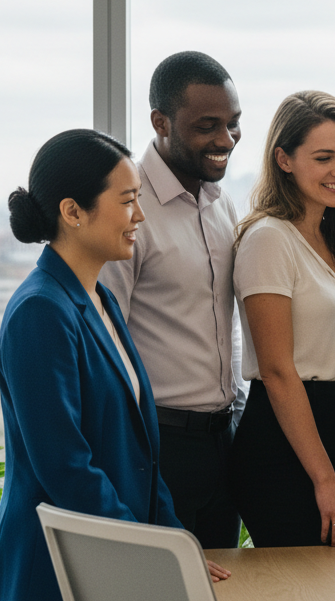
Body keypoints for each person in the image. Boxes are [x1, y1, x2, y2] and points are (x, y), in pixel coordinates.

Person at [0, 129, 229, 601]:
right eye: (125, 200)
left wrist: (177, 543)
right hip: (46, 583)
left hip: (98, 572)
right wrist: (153, 556)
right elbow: (65, 466)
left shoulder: (98, 300)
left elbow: (141, 451)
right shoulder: (40, 309)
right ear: (72, 212)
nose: (139, 215)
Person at [100, 51, 245, 549]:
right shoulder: (126, 210)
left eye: (233, 123)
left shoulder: (222, 200)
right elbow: (105, 343)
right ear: (160, 122)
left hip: (224, 441)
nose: (226, 140)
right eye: (208, 125)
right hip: (159, 443)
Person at [231, 91, 335, 547]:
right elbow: (276, 372)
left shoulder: (334, 238)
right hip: (281, 441)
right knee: (301, 594)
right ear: (284, 160)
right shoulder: (269, 239)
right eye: (324, 157)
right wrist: (324, 480)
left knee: (330, 590)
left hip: (329, 432)